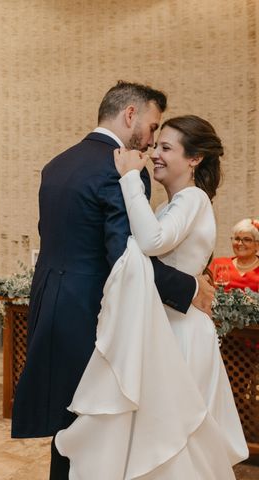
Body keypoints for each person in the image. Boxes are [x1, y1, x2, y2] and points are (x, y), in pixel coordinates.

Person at [10, 81, 214, 479]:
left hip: (51, 304)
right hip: (92, 313)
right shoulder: (122, 170)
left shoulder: (58, 163)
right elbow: (125, 257)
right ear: (131, 115)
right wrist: (189, 288)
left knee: (67, 422)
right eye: (153, 127)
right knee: (96, 421)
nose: (152, 141)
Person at [56, 115, 248, 477]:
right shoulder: (169, 206)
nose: (154, 154)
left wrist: (129, 177)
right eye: (155, 145)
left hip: (182, 334)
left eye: (166, 148)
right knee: (160, 432)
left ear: (194, 159)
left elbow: (151, 241)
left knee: (175, 436)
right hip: (165, 328)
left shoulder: (192, 198)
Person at [209, 218, 259, 291]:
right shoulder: (218, 264)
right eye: (237, 239)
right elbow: (206, 293)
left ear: (257, 244)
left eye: (247, 239)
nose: (240, 243)